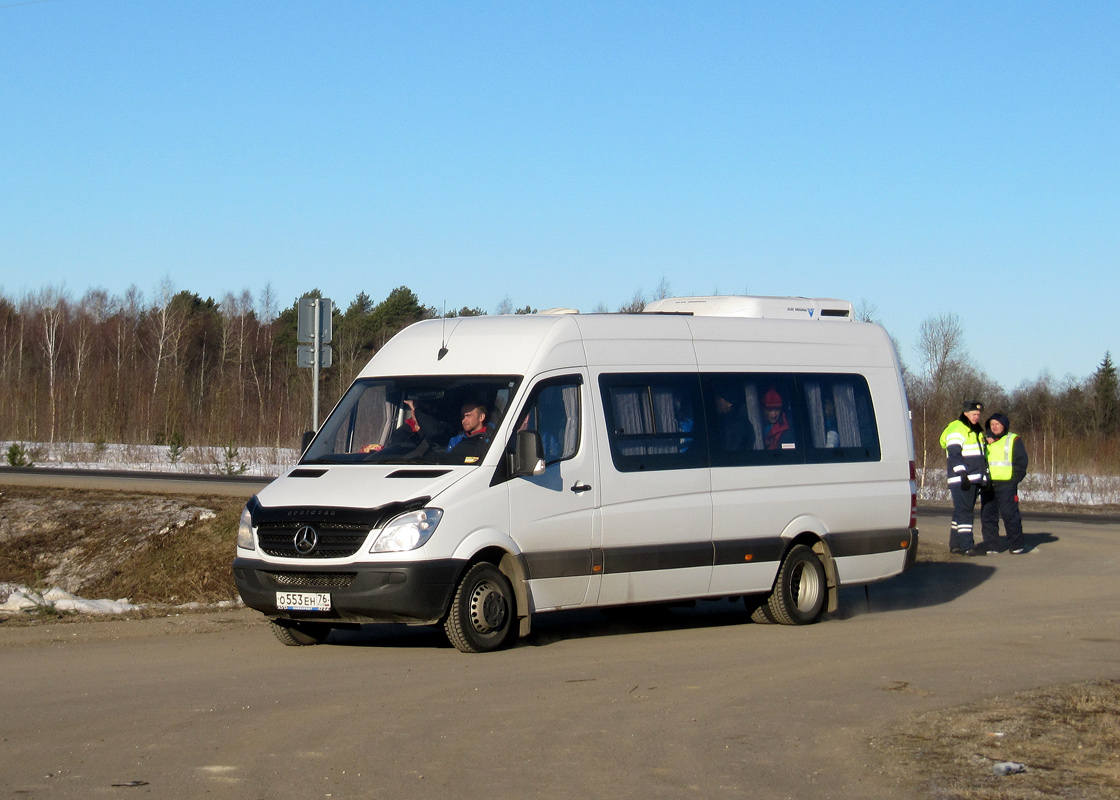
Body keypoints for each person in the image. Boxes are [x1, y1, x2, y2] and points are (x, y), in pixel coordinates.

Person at [939, 400, 990, 555]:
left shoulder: (976, 430)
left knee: (960, 512)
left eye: (979, 415)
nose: (977, 417)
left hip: (974, 478)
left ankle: (955, 544)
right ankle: (967, 546)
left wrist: (984, 476)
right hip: (962, 479)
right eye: (974, 414)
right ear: (965, 413)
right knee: (965, 512)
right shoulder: (956, 428)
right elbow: (954, 454)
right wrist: (962, 474)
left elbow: (982, 456)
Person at [980, 412, 1029, 554]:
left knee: (1010, 515)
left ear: (1004, 425)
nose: (994, 427)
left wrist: (1014, 480)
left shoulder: (1013, 439)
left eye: (997, 424)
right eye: (992, 424)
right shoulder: (983, 440)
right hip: (988, 485)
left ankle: (1016, 545)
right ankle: (991, 546)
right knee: (988, 516)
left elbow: (1021, 461)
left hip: (1007, 484)